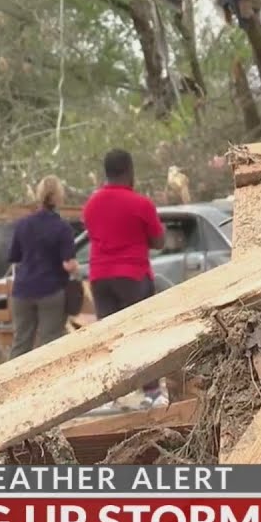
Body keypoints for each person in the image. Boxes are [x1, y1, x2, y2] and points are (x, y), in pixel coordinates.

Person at [83, 149, 169, 409]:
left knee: (108, 338)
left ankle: (108, 396)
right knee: (141, 333)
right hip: (132, 276)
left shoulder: (91, 205)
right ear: (130, 171)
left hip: (100, 278)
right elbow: (158, 241)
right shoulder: (141, 204)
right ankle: (151, 392)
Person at [7, 175, 77, 359]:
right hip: (50, 291)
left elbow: (14, 257)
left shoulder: (23, 224)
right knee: (50, 343)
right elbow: (68, 264)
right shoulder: (62, 228)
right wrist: (76, 269)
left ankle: (13, 375)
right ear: (59, 197)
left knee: (21, 342)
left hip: (22, 291)